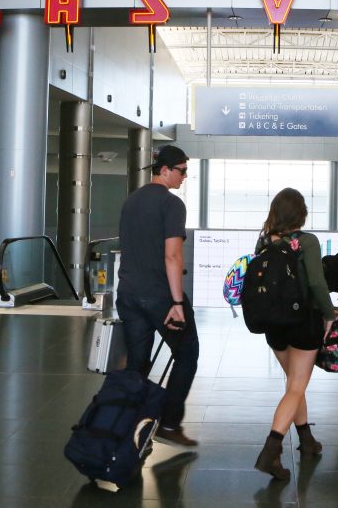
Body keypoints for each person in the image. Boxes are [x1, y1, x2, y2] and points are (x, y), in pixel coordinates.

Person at [116, 145, 199, 447]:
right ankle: (169, 423)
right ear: (164, 171)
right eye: (182, 170)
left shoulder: (131, 201)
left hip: (127, 294)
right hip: (160, 296)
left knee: (137, 364)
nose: (184, 177)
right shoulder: (171, 203)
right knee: (187, 354)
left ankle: (127, 425)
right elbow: (173, 256)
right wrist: (177, 302)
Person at [254, 188, 336, 481]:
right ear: (300, 214)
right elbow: (316, 282)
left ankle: (307, 439)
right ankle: (271, 450)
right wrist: (330, 314)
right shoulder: (307, 241)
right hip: (303, 321)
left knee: (294, 384)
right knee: (296, 386)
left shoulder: (263, 241)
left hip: (274, 324)